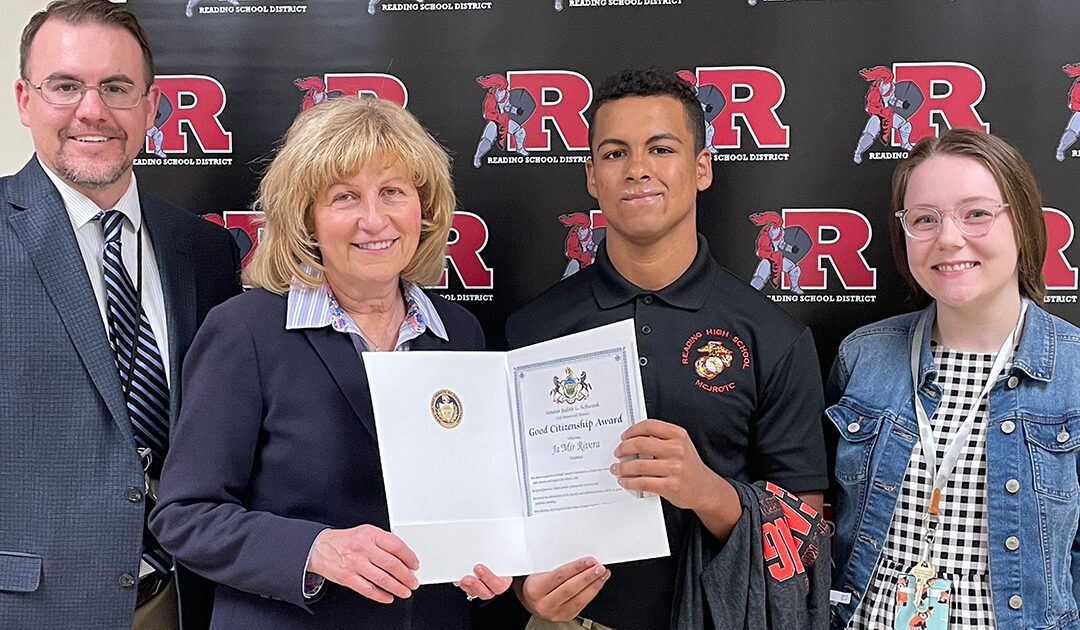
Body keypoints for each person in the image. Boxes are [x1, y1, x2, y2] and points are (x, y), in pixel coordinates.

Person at [148, 96, 510, 629]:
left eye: (392, 191)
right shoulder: (245, 331)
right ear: (307, 219)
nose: (374, 219)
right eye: (345, 197)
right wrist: (315, 551)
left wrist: (495, 553)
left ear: (424, 206)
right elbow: (184, 517)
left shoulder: (459, 332)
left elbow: (471, 494)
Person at [505, 68, 829, 630]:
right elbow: (500, 510)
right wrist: (522, 588)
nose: (637, 169)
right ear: (591, 177)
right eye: (614, 153)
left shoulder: (773, 336)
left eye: (661, 148)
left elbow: (806, 540)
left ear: (701, 168)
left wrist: (706, 490)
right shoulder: (532, 330)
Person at [0, 1, 241, 628]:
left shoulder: (205, 250)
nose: (92, 110)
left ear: (151, 107)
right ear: (25, 101)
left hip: (183, 601)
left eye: (116, 88)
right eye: (65, 86)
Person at [828, 128, 1080, 629]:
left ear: (1023, 224)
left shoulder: (1073, 371)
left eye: (977, 213)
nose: (948, 238)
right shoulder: (863, 356)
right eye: (924, 219)